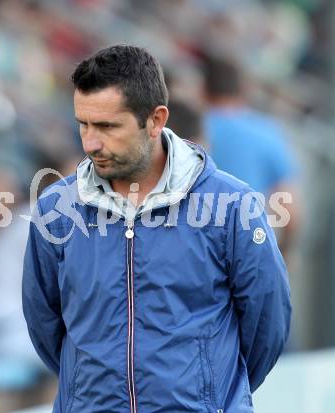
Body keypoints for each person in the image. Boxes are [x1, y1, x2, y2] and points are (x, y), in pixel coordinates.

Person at [22, 45, 291, 413]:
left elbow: (267, 325)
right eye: (83, 124)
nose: (90, 143)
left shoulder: (234, 206)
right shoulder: (56, 209)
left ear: (156, 120)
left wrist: (212, 394)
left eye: (107, 126)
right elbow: (45, 324)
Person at [202, 56, 299, 258]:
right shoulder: (267, 132)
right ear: (243, 90)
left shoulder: (188, 131)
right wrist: (284, 255)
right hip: (249, 248)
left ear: (203, 90)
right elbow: (290, 211)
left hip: (198, 250)